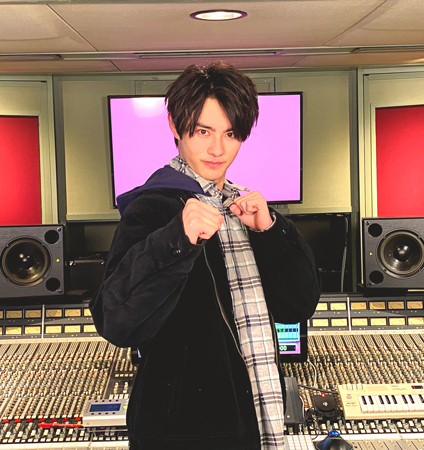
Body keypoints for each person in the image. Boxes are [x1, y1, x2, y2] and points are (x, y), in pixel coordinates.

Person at [90, 61, 320, 450]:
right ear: (175, 126)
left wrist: (271, 232)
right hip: (183, 432)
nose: (217, 149)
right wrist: (175, 239)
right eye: (203, 131)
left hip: (259, 421)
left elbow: (298, 306)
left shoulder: (245, 208)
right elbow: (116, 322)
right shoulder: (151, 209)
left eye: (230, 134)